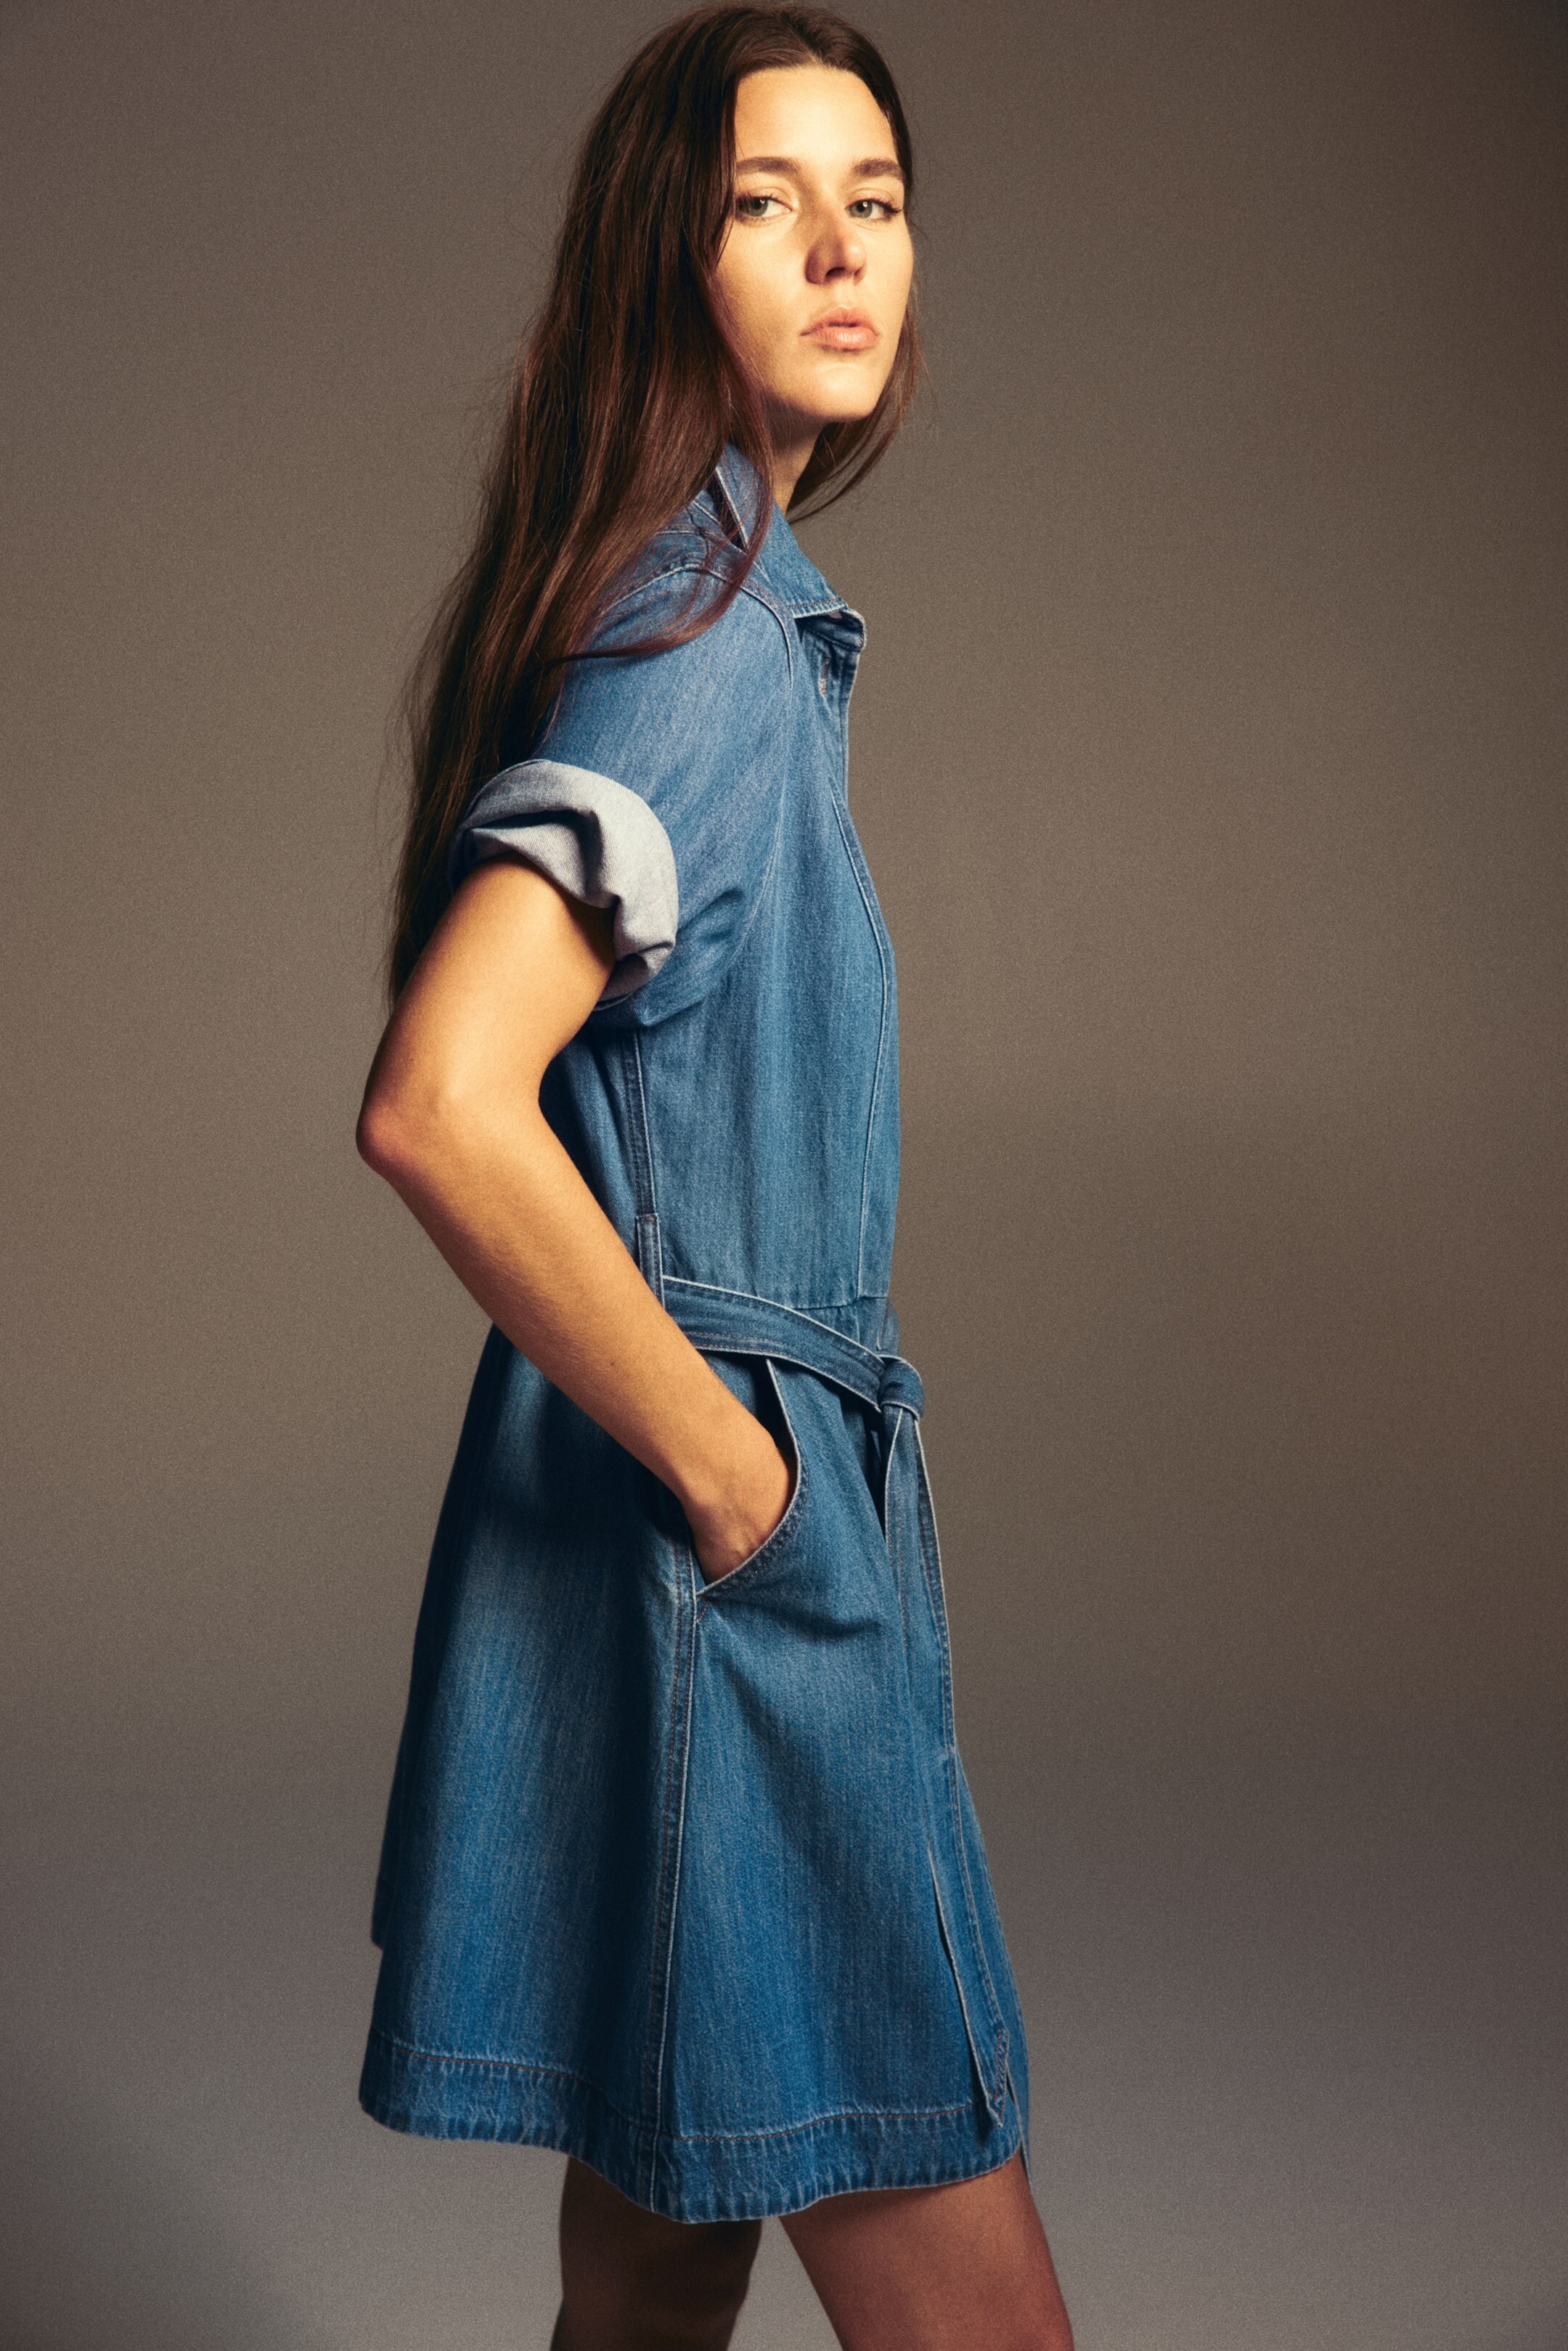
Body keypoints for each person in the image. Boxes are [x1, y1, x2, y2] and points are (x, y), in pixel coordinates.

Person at [354, 7, 1075, 2345]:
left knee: (656, 2285)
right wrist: (749, 1490)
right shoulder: (710, 650)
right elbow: (443, 1101)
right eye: (770, 203)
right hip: (728, 1582)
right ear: (666, 258)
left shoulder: (692, 603)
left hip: (665, 1574)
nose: (844, 251)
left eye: (879, 201)